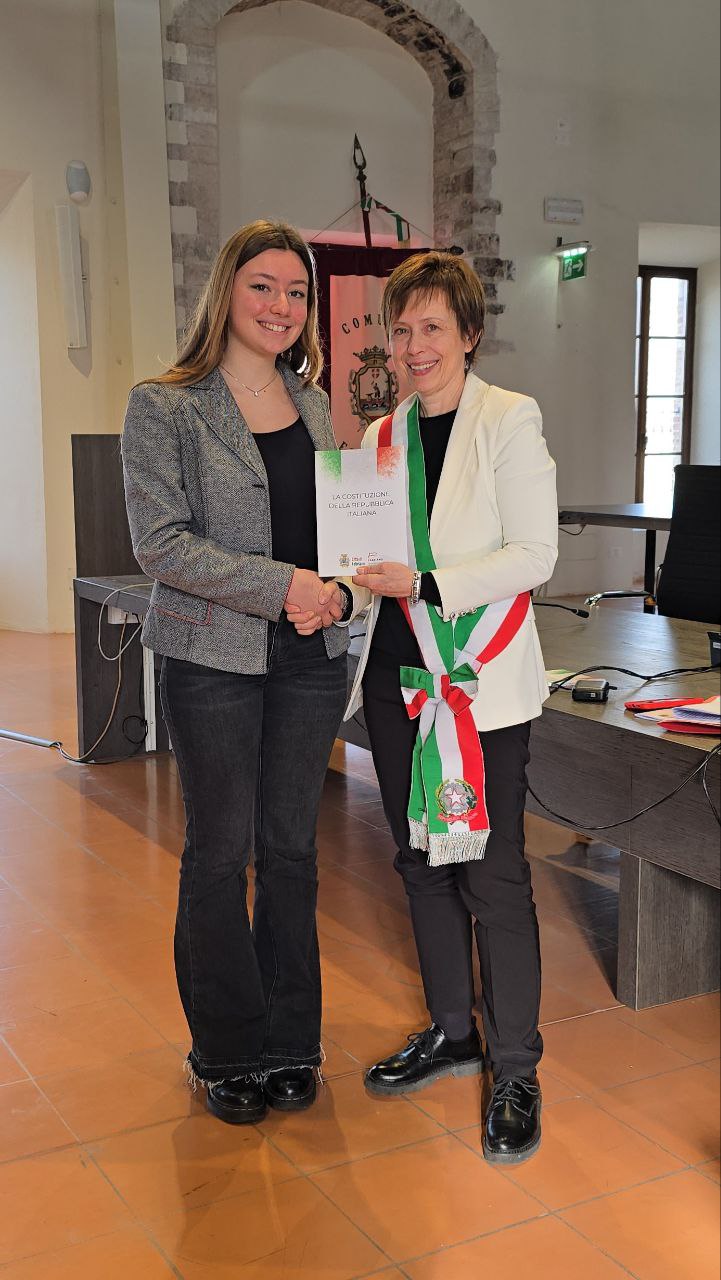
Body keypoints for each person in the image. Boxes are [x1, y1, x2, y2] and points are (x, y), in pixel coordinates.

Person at [288, 251, 558, 1164]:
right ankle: (452, 1030)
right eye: (400, 329)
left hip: (477, 683)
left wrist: (428, 584)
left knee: (491, 870)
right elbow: (367, 571)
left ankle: (514, 1067)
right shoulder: (378, 438)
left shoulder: (507, 420)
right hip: (396, 680)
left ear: (468, 335)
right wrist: (339, 592)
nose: (413, 346)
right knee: (418, 859)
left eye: (432, 327)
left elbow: (535, 554)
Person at [122, 220, 347, 1126]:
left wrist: (337, 590)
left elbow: (340, 531)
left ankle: (292, 1040)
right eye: (263, 285)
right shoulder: (166, 404)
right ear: (226, 291)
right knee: (220, 853)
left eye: (296, 292)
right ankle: (225, 1048)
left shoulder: (316, 405)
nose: (281, 306)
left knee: (291, 851)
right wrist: (282, 585)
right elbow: (161, 544)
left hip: (310, 657)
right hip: (211, 656)